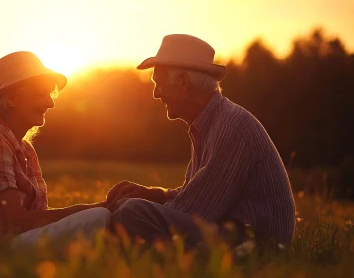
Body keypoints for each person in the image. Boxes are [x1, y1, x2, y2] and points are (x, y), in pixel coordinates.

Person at [107, 34, 296, 252]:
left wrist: (135, 207)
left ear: (183, 82)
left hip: (257, 244)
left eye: (158, 83)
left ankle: (163, 258)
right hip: (236, 233)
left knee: (131, 212)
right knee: (131, 213)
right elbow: (196, 193)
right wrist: (155, 194)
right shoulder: (208, 124)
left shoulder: (230, 127)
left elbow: (195, 211)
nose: (156, 93)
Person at [0, 51, 111, 248]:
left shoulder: (25, 150)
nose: (50, 103)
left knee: (102, 216)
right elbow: (17, 221)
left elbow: (35, 217)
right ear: (12, 99)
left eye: (50, 94)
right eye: (41, 94)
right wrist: (96, 207)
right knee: (98, 217)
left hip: (15, 239)